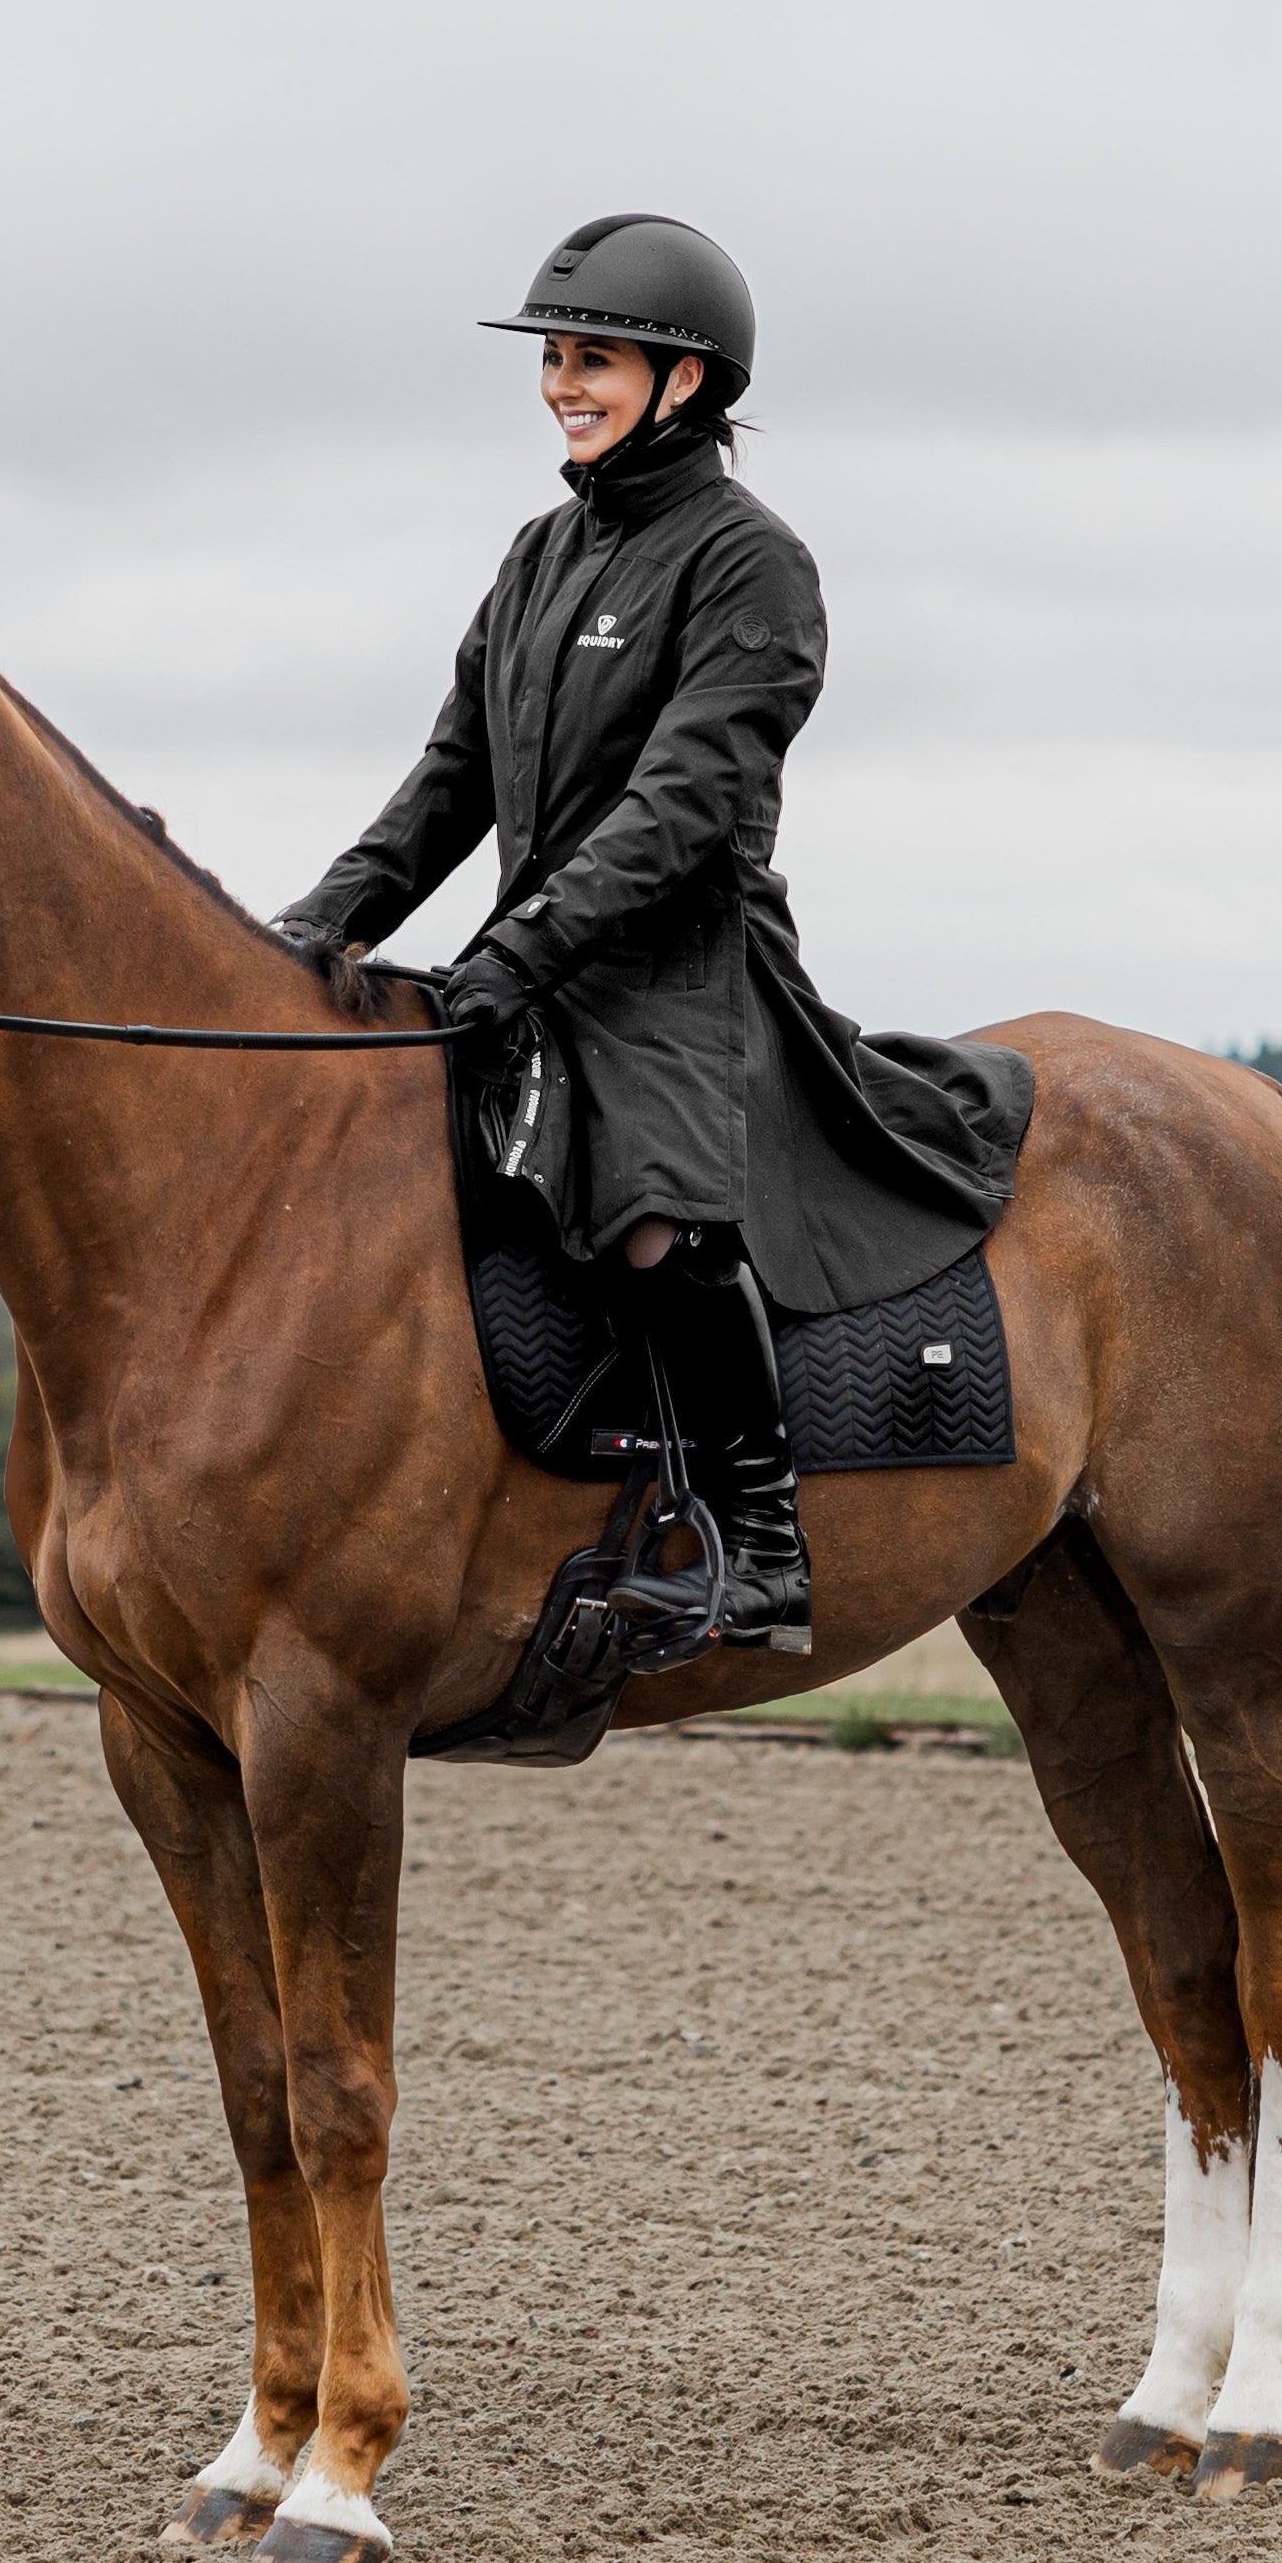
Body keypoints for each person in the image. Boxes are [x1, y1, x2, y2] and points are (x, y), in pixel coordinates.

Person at [279, 214, 1032, 1651]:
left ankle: (763, 1542)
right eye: (554, 359)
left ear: (683, 381)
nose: (562, 385)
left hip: (680, 969)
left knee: (652, 1222)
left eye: (594, 361)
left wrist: (516, 955)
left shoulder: (755, 564)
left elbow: (681, 806)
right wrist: (316, 929)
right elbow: (451, 781)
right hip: (536, 958)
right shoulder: (538, 555)